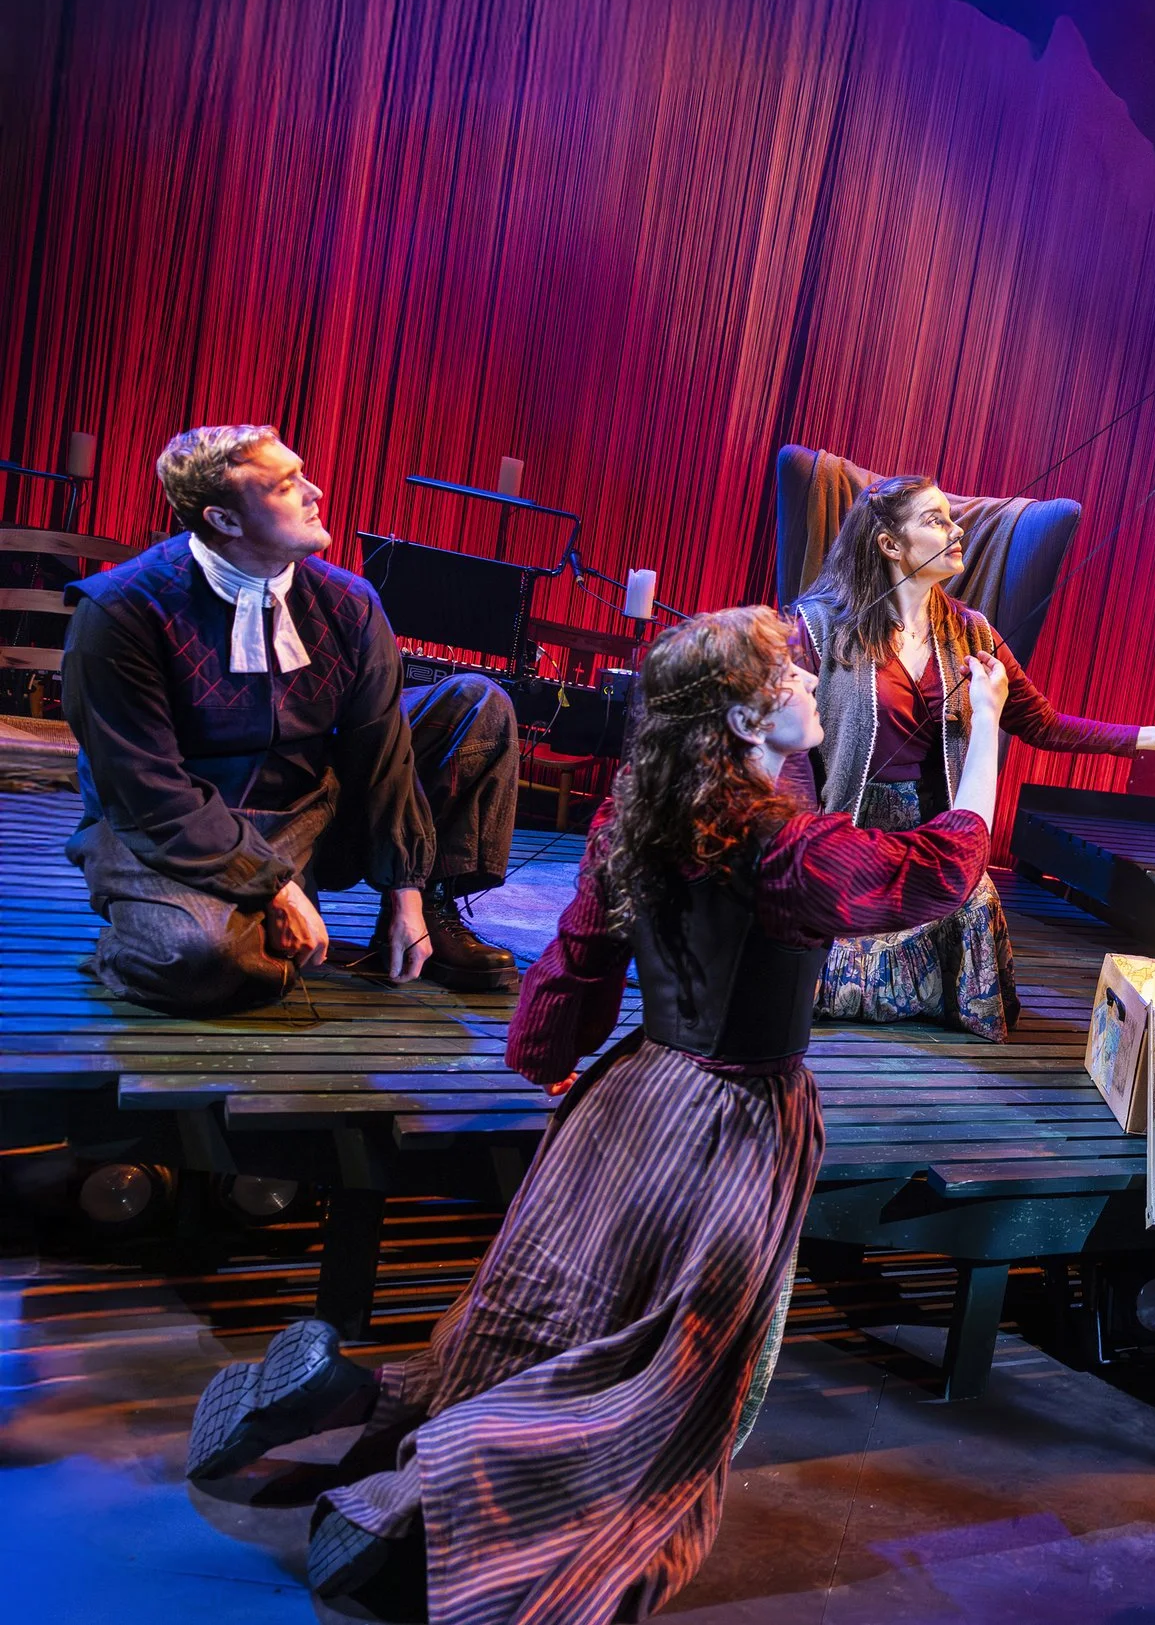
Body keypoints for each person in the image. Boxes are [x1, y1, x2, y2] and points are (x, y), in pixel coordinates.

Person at [183, 606, 1003, 1618]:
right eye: (790, 676)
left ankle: (362, 1396)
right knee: (665, 1364)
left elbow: (578, 959)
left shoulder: (641, 808)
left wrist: (551, 1059)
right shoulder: (784, 844)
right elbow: (935, 871)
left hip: (629, 1102)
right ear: (746, 722)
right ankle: (431, 1489)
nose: (810, 686)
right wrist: (987, 739)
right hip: (734, 1119)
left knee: (535, 1324)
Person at [60, 425, 516, 1012]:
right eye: (286, 485)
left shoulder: (349, 603)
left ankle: (430, 907)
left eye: (302, 473)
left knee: (475, 702)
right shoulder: (122, 612)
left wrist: (406, 888)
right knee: (206, 962)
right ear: (224, 520)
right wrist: (269, 884)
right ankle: (148, 938)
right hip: (171, 825)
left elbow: (382, 752)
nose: (315, 491)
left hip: (308, 809)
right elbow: (145, 792)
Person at [785, 474, 1155, 1039]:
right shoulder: (818, 625)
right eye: (935, 521)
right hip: (850, 830)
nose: (956, 531)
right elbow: (779, 741)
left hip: (930, 831)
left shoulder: (969, 632)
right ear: (889, 544)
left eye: (951, 519)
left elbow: (1042, 723)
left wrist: (1148, 737)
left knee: (974, 898)